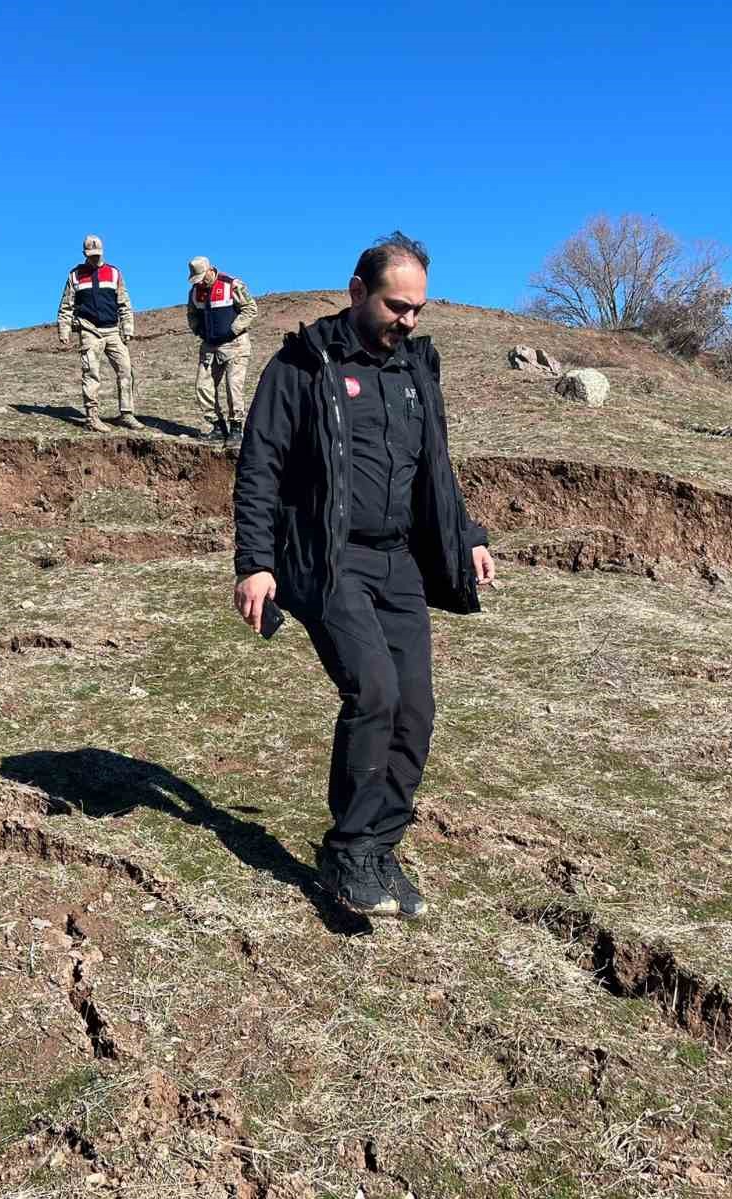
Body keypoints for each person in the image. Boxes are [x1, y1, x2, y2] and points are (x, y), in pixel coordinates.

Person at [231, 232, 497, 919]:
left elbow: (435, 466)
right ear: (356, 291)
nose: (408, 320)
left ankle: (381, 848)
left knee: (416, 710)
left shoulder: (415, 370)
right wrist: (256, 563)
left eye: (418, 309)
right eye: (395, 306)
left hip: (399, 560)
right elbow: (259, 470)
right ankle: (348, 852)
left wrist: (465, 536)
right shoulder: (300, 366)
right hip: (329, 556)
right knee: (373, 691)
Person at [56, 235, 146, 433]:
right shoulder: (75, 275)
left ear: (102, 252)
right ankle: (92, 417)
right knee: (91, 372)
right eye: (91, 255)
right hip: (89, 330)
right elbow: (66, 305)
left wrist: (128, 329)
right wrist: (64, 329)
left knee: (126, 369)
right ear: (84, 254)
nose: (95, 258)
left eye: (97, 255)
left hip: (113, 330)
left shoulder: (114, 273)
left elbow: (124, 303)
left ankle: (127, 413)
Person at [185, 256, 258, 445]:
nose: (200, 282)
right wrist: (198, 329)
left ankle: (236, 429)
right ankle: (217, 426)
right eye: (197, 279)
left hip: (235, 345)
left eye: (202, 277)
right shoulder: (195, 292)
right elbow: (192, 313)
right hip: (210, 347)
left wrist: (233, 329)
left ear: (210, 270)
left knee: (233, 387)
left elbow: (250, 309)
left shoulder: (232, 285)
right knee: (203, 386)